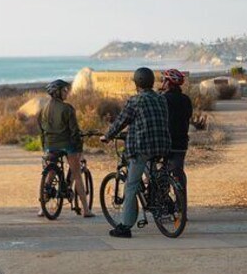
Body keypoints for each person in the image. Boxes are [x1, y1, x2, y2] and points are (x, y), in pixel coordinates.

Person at [101, 67, 171, 238]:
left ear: (137, 83)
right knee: (152, 174)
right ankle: (159, 201)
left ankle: (124, 227)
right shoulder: (161, 99)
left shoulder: (136, 101)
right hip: (162, 145)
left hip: (142, 147)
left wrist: (107, 136)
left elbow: (121, 121)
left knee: (131, 185)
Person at [38, 79, 94, 218]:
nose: (66, 92)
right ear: (57, 92)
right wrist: (79, 149)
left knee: (50, 173)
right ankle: (86, 210)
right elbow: (74, 131)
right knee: (77, 175)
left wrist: (44, 146)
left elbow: (41, 130)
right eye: (64, 90)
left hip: (50, 145)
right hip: (67, 144)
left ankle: (42, 208)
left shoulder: (43, 109)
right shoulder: (67, 108)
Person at [160, 68, 193, 193]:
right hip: (181, 143)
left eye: (164, 80)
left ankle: (161, 196)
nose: (162, 83)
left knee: (156, 168)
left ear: (168, 83)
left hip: (165, 142)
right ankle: (180, 204)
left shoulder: (163, 99)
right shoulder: (186, 99)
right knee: (178, 172)